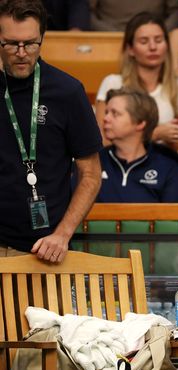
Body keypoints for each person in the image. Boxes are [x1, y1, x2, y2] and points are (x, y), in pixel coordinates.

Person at [0, 0, 101, 262]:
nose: (21, 52)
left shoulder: (68, 92)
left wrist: (63, 234)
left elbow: (90, 174)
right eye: (11, 43)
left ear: (42, 38)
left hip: (44, 252)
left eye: (31, 43)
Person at [96, 12, 178, 151]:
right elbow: (103, 141)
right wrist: (156, 133)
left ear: (167, 45)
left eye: (159, 40)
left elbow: (175, 147)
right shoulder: (113, 83)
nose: (153, 47)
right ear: (130, 49)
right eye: (144, 41)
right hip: (119, 167)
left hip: (163, 164)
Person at [96, 88, 178, 203]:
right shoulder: (92, 163)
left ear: (140, 124)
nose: (105, 119)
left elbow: (174, 219)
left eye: (115, 114)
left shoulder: (169, 170)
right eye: (106, 112)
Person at [89, 0, 178, 31]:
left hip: (153, 38)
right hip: (108, 39)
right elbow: (88, 12)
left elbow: (176, 12)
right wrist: (110, 34)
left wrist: (158, 32)